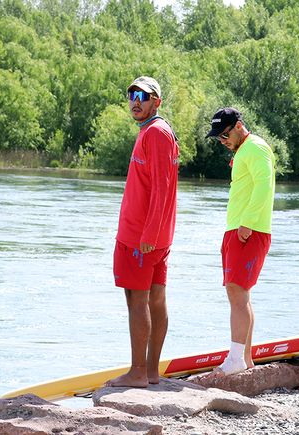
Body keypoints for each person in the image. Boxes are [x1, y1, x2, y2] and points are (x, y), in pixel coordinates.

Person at [106, 76, 179, 388]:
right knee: (154, 298)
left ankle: (138, 373)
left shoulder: (157, 133)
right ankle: (150, 373)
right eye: (132, 94)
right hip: (147, 234)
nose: (136, 101)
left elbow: (162, 188)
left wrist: (149, 233)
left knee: (139, 300)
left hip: (142, 237)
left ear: (156, 102)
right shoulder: (150, 132)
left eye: (144, 96)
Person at [205, 107, 275, 377]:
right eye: (218, 138)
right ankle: (244, 358)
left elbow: (264, 184)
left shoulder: (255, 147)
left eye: (224, 135)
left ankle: (235, 360)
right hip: (238, 228)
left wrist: (246, 222)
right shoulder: (243, 150)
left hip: (249, 229)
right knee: (240, 294)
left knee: (236, 291)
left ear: (238, 126)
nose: (223, 141)